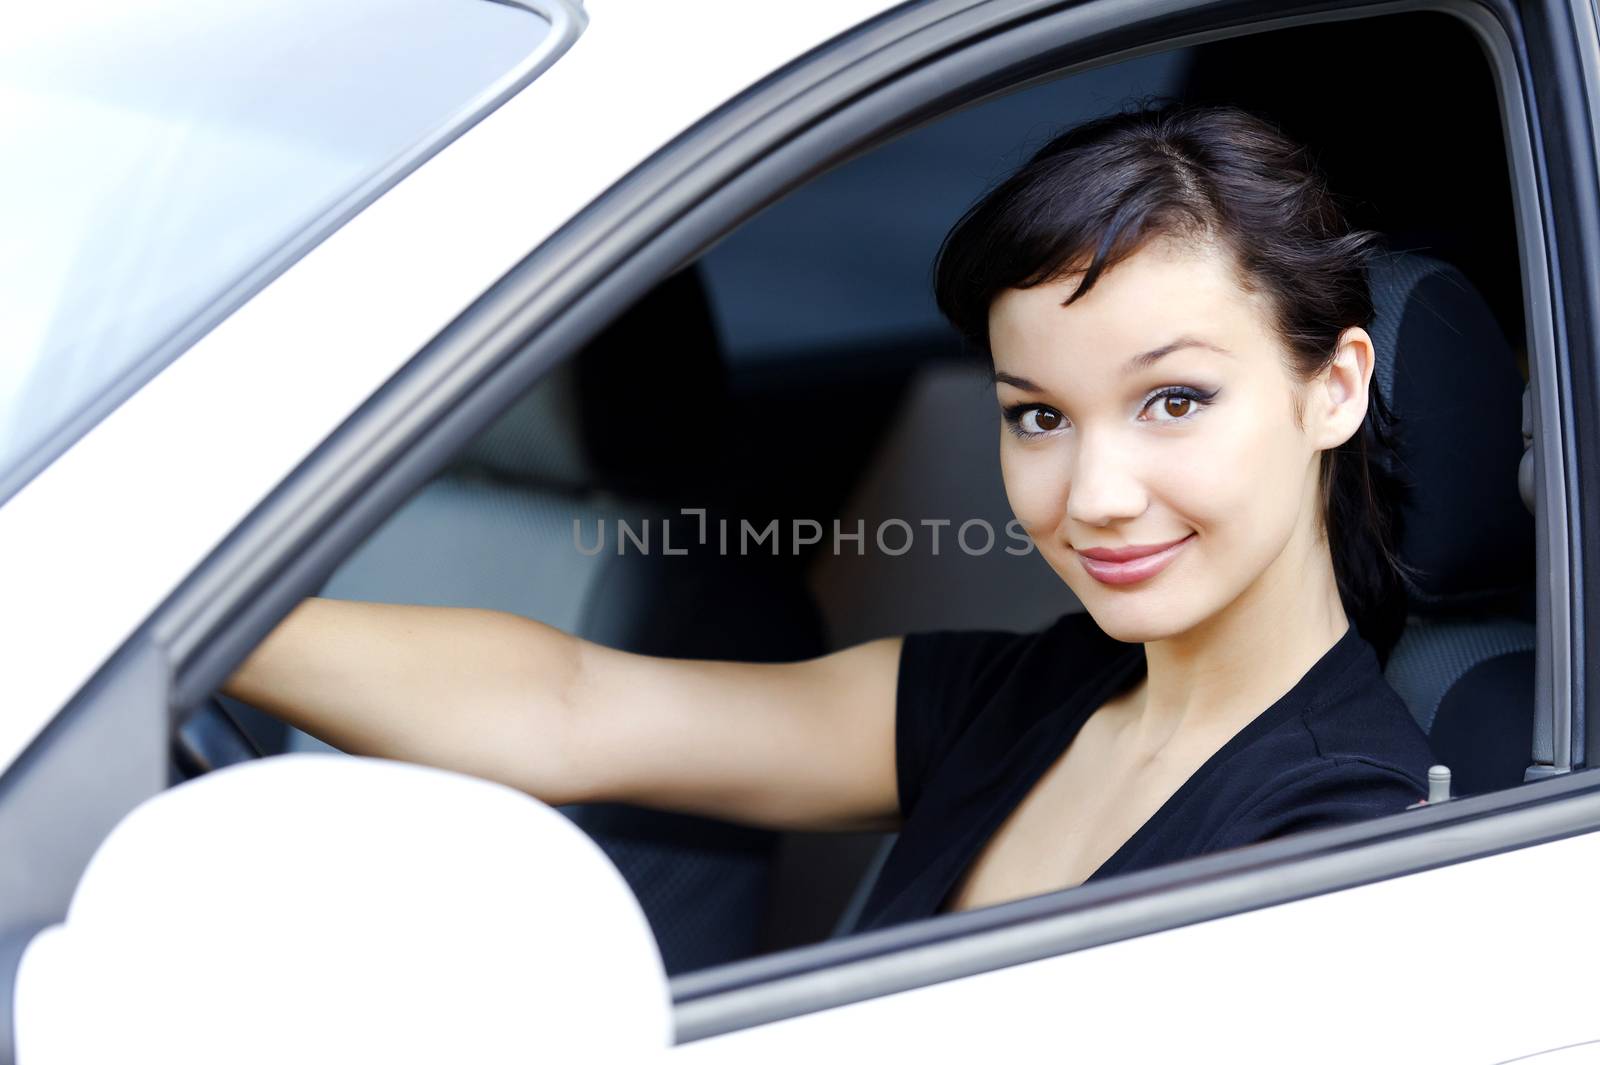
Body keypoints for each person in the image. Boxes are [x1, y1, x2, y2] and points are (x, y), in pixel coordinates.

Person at [222, 101, 1436, 935]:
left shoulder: (1337, 834)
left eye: (1173, 400)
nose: (1095, 494)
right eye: (1037, 417)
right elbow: (572, 708)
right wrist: (171, 633)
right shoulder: (1019, 700)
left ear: (1333, 386)